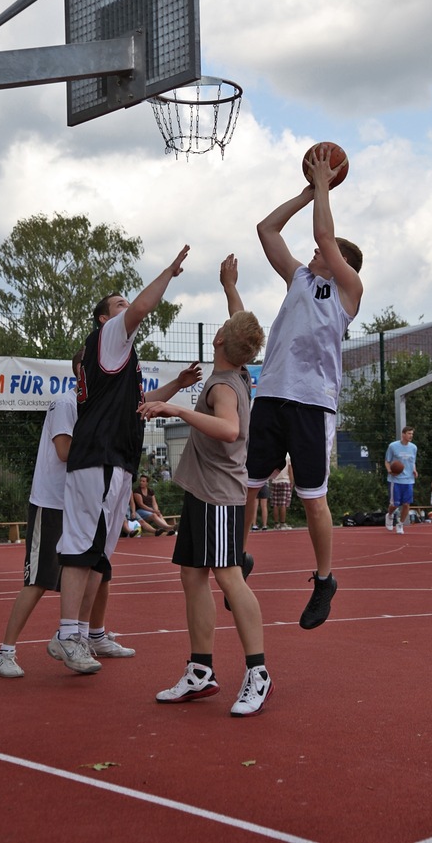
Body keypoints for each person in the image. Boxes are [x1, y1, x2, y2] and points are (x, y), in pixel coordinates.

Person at [49, 247, 201, 675]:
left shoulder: (122, 360)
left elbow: (142, 403)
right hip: (96, 458)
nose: (126, 309)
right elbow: (140, 307)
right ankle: (66, 634)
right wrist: (169, 273)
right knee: (82, 548)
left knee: (99, 553)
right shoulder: (109, 337)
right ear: (105, 319)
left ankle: (82, 633)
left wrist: (178, 383)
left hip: (117, 461)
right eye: (117, 306)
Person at [140, 254, 272, 717]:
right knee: (192, 575)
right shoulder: (237, 369)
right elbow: (240, 329)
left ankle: (258, 672)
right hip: (204, 493)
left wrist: (176, 410)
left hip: (219, 495)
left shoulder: (222, 387)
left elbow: (230, 430)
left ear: (218, 339)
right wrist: (229, 286)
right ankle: (201, 670)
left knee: (228, 577)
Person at [245, 145, 364, 630]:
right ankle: (237, 558)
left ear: (340, 263)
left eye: (324, 252)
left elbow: (322, 232)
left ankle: (324, 579)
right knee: (247, 486)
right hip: (272, 393)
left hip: (313, 403)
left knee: (312, 498)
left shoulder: (347, 293)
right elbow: (266, 230)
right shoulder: (297, 278)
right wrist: (303, 191)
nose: (315, 251)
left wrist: (323, 184)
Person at [0, 350, 135, 678]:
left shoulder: (97, 408)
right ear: (83, 371)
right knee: (40, 579)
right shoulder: (66, 403)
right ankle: (5, 651)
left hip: (85, 502)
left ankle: (92, 636)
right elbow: (64, 451)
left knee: (100, 573)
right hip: (54, 502)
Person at [385, 426, 418, 534]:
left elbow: (413, 462)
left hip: (409, 480)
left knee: (406, 504)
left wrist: (414, 470)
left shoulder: (413, 447)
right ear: (403, 434)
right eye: (409, 433)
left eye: (412, 434)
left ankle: (400, 524)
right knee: (394, 504)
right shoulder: (393, 446)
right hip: (395, 479)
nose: (411, 436)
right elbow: (387, 461)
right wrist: (390, 470)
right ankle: (389, 515)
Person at [271, 454, 294, 529]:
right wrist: (291, 482)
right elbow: (290, 470)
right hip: (285, 481)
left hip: (275, 481)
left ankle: (276, 523)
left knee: (275, 503)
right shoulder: (288, 457)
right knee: (283, 503)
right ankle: (282, 523)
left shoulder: (275, 455)